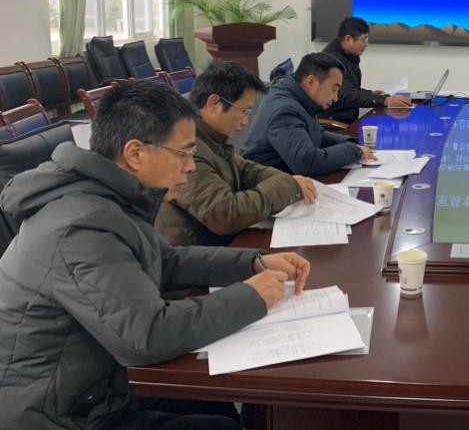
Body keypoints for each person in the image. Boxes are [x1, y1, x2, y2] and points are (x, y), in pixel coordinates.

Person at [0, 80, 311, 430]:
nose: (191, 167)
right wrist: (251, 297)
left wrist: (253, 262)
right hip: (55, 413)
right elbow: (146, 335)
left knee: (215, 404)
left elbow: (165, 261)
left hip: (97, 386)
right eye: (184, 153)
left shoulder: (108, 197)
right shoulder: (82, 226)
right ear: (135, 153)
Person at [156, 62, 318, 247]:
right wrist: (288, 186)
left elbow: (246, 170)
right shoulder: (186, 149)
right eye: (244, 111)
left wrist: (289, 181)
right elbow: (224, 214)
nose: (245, 122)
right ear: (214, 103)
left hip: (217, 245)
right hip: (195, 255)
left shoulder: (210, 138)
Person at [241, 52, 372, 175]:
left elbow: (316, 132)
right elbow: (306, 161)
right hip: (263, 183)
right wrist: (354, 151)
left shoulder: (298, 96)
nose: (335, 98)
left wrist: (352, 142)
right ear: (311, 82)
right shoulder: (285, 110)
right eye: (333, 89)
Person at [318, 17, 411, 125]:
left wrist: (370, 94)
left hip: (347, 120)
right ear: (348, 39)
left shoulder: (349, 56)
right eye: (363, 39)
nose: (366, 44)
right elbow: (347, 95)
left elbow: (349, 87)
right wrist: (385, 100)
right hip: (333, 124)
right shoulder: (332, 60)